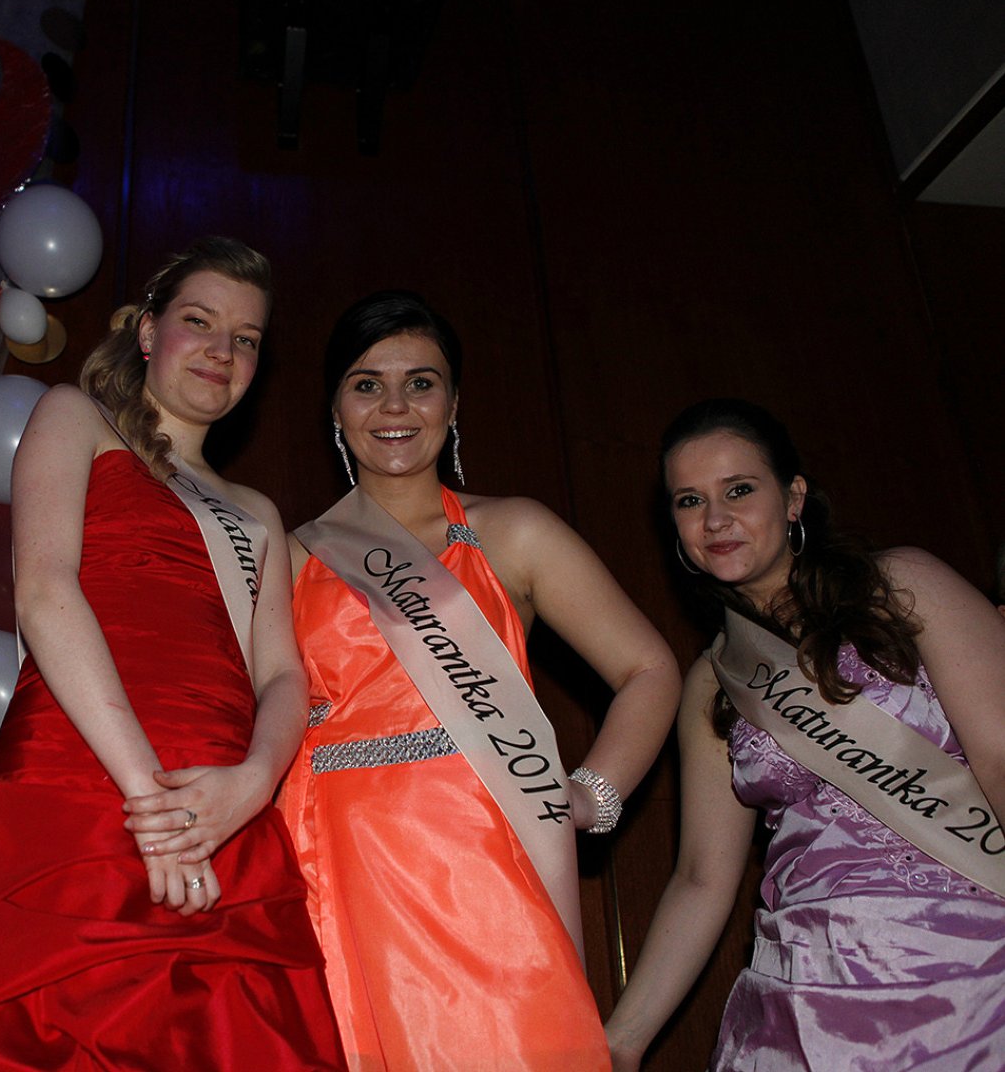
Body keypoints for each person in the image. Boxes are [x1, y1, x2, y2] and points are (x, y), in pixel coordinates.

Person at [0, 238, 345, 1070]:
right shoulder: (77, 418)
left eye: (246, 338)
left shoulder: (256, 512)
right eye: (200, 322)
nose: (222, 350)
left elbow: (284, 673)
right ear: (148, 331)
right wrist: (149, 802)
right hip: (84, 778)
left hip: (218, 811)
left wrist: (251, 785)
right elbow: (44, 591)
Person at [269, 290, 680, 1070]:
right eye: (367, 384)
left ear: (454, 404)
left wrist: (592, 793)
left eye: (421, 383)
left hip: (484, 867)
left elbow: (650, 669)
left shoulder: (512, 531)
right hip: (337, 865)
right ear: (336, 407)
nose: (395, 406)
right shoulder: (292, 555)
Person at [605, 398, 1005, 1070]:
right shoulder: (712, 679)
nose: (715, 519)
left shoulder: (903, 585)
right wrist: (622, 1040)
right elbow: (702, 877)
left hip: (969, 964)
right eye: (690, 501)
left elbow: (999, 758)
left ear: (793, 498)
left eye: (739, 490)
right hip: (804, 992)